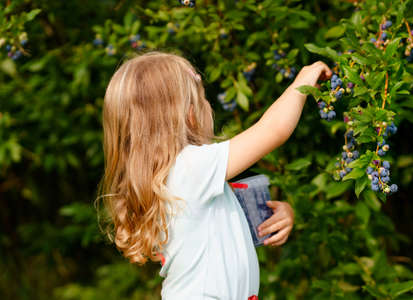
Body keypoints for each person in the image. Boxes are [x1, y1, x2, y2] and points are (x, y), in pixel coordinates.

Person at [96, 50, 332, 299]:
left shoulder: (176, 177)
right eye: (202, 100)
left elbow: (223, 237)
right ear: (188, 115)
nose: (209, 106)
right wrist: (303, 80)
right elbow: (274, 130)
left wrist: (283, 213)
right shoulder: (191, 168)